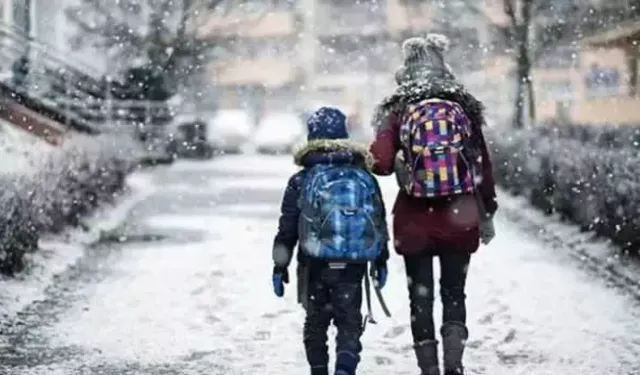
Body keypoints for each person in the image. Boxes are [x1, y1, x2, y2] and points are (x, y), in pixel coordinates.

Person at [368, 34, 498, 375]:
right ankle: (453, 366)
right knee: (454, 293)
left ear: (405, 71)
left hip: (414, 221)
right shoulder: (463, 108)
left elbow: (379, 163)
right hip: (460, 215)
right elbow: (482, 164)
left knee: (420, 299)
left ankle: (429, 370)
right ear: (444, 67)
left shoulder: (397, 110)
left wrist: (396, 159)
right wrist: (488, 211)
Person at [271, 107, 390, 375]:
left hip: (315, 263)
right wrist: (381, 260)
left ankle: (320, 370)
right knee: (349, 322)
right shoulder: (363, 174)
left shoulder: (302, 179)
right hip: (353, 262)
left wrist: (280, 266)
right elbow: (379, 220)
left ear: (312, 137)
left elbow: (287, 227)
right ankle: (345, 370)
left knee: (316, 323)